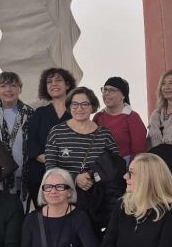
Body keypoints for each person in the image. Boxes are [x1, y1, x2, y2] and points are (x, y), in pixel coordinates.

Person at [44, 86, 121, 229]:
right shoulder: (57, 132)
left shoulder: (104, 134)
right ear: (69, 106)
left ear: (92, 107)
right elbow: (50, 168)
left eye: (85, 104)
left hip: (96, 201)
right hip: (65, 199)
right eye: (75, 104)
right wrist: (75, 178)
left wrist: (91, 175)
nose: (79, 108)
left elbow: (114, 166)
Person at [24, 67, 75, 210]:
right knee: (44, 214)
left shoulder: (76, 112)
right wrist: (46, 159)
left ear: (67, 85)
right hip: (41, 172)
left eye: (58, 80)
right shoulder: (39, 113)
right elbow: (31, 141)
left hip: (71, 172)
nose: (54, 84)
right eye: (49, 82)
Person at [0, 71, 33, 202]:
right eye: (3, 86)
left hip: (23, 174)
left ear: (20, 89)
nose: (8, 90)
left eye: (13, 85)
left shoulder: (31, 113)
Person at [93, 76, 146, 163]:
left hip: (125, 165)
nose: (106, 93)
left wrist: (131, 169)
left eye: (112, 90)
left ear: (123, 95)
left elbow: (139, 151)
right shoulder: (98, 117)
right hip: (100, 165)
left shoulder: (132, 117)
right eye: (105, 89)